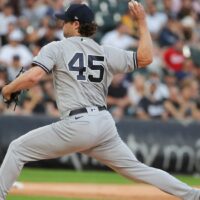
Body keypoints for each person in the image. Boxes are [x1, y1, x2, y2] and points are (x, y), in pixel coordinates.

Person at [0, 2, 200, 200]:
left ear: (76, 24)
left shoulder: (57, 48)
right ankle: (193, 195)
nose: (62, 25)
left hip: (77, 124)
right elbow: (146, 58)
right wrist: (142, 22)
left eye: (65, 21)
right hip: (104, 124)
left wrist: (7, 89)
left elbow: (33, 77)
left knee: (18, 149)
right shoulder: (106, 51)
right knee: (139, 170)